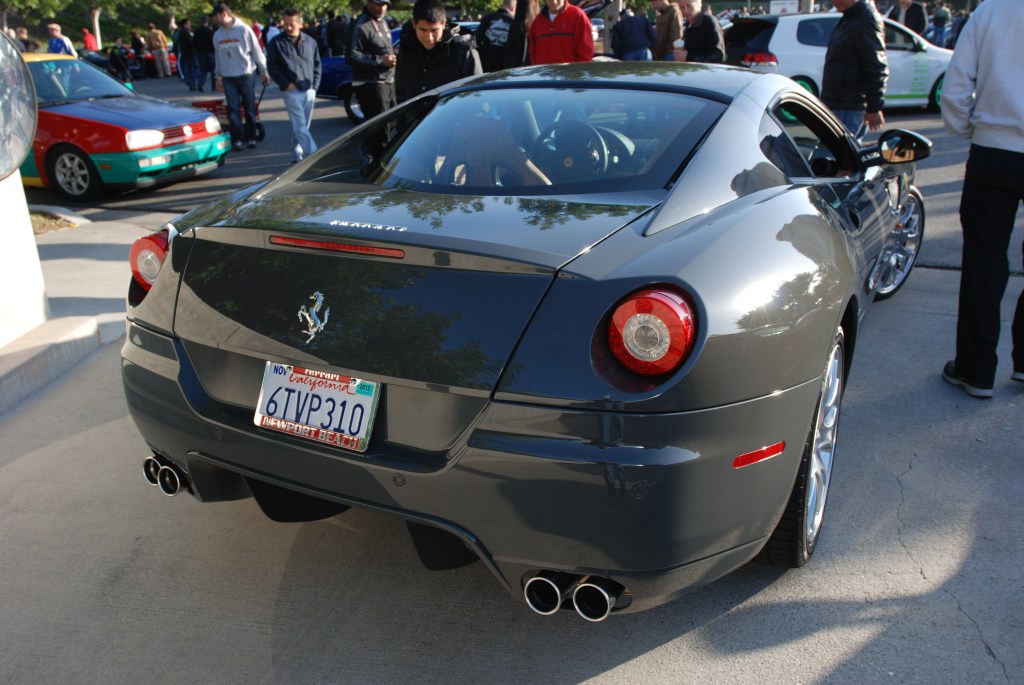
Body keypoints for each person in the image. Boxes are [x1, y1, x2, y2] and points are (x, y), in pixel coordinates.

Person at [939, 0, 1024, 399]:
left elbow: (956, 85)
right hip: (996, 147)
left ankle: (976, 370)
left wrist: (968, 128)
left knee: (984, 265)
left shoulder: (992, 9)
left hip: (994, 151)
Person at [819, 0, 888, 139]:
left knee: (842, 156)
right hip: (839, 103)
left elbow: (876, 65)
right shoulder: (851, 17)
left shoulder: (865, 19)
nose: (834, 2)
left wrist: (874, 107)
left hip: (849, 106)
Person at [396, 0, 481, 103]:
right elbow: (400, 93)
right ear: (414, 24)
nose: (429, 37)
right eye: (423, 30)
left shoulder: (463, 50)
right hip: (415, 118)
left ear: (443, 23)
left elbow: (477, 94)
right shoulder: (407, 49)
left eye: (434, 30)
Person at [212, 2, 270, 151]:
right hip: (227, 77)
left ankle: (251, 136)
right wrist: (217, 76)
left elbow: (257, 52)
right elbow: (218, 57)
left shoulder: (244, 30)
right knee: (233, 109)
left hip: (245, 74)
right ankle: (238, 138)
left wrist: (264, 72)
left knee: (249, 108)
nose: (215, 19)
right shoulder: (218, 35)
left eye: (216, 16)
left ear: (224, 14)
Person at [267, 8, 321, 164]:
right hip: (291, 91)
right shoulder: (276, 43)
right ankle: (314, 156)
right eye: (286, 24)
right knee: (300, 125)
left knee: (302, 126)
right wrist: (286, 84)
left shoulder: (310, 42)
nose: (288, 27)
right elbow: (272, 67)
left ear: (300, 23)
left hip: (309, 89)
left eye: (292, 24)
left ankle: (295, 153)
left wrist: (315, 86)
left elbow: (317, 64)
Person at [348, 0, 398, 122]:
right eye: (378, 4)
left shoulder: (382, 21)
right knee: (380, 130)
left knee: (393, 124)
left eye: (384, 5)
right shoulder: (360, 24)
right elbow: (352, 55)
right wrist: (381, 60)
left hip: (388, 80)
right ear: (369, 3)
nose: (382, 9)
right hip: (371, 84)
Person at [528, 0, 594, 65]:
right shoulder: (537, 23)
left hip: (569, 74)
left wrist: (577, 73)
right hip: (544, 75)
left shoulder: (578, 16)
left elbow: (586, 53)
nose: (554, 1)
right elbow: (533, 53)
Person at [476, 0, 516, 72]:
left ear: (501, 5)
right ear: (513, 8)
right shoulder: (514, 22)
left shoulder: (487, 19)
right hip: (506, 70)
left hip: (486, 68)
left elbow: (476, 41)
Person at [504, 0, 539, 68]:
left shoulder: (517, 26)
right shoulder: (540, 25)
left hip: (520, 72)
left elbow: (512, 55)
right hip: (537, 69)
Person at [193, 15, 216, 92]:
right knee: (213, 70)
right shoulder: (209, 31)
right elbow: (213, 41)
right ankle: (214, 86)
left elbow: (194, 41)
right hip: (210, 52)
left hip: (200, 52)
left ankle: (200, 83)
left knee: (203, 69)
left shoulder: (196, 31)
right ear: (207, 21)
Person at [176, 18, 200, 90]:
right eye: (188, 24)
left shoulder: (180, 32)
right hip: (190, 52)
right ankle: (191, 81)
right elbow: (190, 42)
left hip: (184, 52)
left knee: (188, 67)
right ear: (185, 24)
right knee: (196, 67)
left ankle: (189, 80)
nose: (189, 25)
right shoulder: (185, 32)